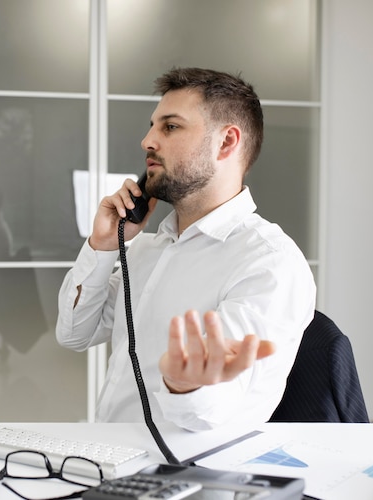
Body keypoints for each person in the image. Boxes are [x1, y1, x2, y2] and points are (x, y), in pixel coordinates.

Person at [56, 67, 316, 431]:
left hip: (191, 474)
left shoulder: (269, 263)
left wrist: (185, 385)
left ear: (226, 142)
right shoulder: (148, 248)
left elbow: (210, 414)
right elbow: (74, 334)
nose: (147, 141)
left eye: (170, 127)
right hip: (111, 455)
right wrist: (102, 245)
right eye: (152, 126)